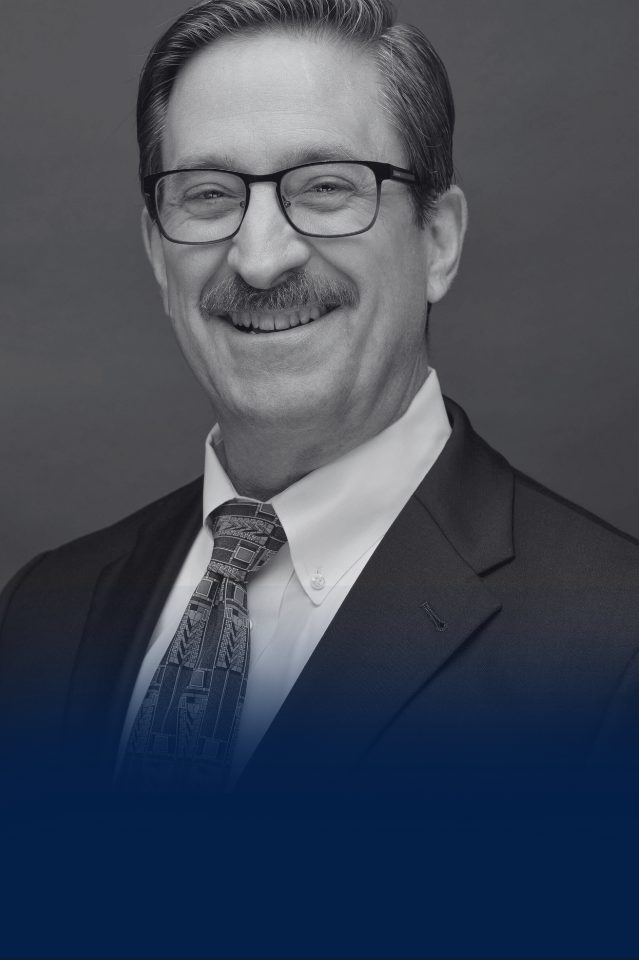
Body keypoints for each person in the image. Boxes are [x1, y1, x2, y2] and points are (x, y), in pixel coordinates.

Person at [1, 0, 638, 799]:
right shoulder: (42, 614)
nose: (261, 258)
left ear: (436, 241)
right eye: (207, 195)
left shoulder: (612, 650)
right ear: (158, 259)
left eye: (327, 186)